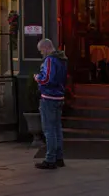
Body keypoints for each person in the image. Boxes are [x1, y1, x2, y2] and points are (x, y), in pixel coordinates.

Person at [34, 38, 68, 170]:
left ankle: (50, 159)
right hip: (59, 96)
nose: (42, 53)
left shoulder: (50, 60)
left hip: (49, 97)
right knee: (57, 129)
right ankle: (59, 157)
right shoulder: (62, 59)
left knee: (49, 130)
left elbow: (47, 78)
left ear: (46, 48)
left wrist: (37, 78)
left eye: (41, 50)